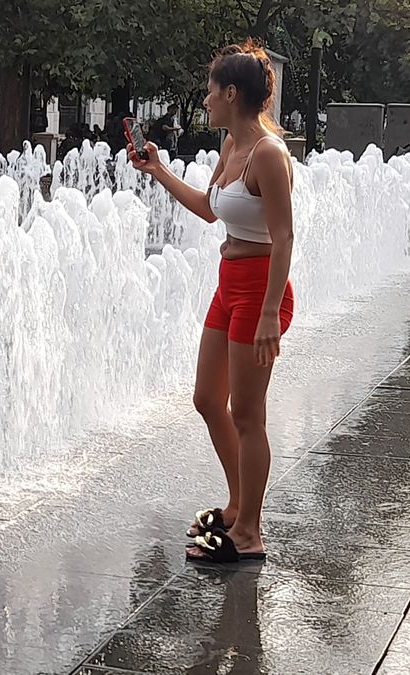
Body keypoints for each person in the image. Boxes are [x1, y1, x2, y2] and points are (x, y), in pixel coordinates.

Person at [130, 40, 294, 564]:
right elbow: (208, 209)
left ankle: (249, 531)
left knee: (247, 413)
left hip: (261, 290)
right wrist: (158, 171)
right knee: (207, 399)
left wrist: (270, 312)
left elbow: (285, 237)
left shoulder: (268, 153)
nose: (204, 100)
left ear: (230, 93)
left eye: (209, 91)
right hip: (229, 284)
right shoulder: (231, 147)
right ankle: (238, 503)